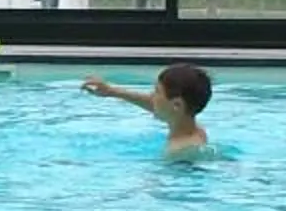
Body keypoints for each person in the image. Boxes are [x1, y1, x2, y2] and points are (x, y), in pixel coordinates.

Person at [82, 63, 213, 157]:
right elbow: (157, 105)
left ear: (177, 105)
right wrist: (111, 91)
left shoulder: (179, 152)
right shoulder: (193, 127)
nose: (151, 96)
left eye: (157, 92)